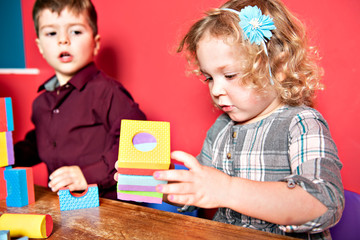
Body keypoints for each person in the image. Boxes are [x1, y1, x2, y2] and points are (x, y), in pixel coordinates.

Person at [150, 0, 343, 239]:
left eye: (230, 75)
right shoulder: (221, 128)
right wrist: (159, 183)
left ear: (279, 66)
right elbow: (198, 189)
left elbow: (324, 205)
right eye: (209, 78)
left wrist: (227, 189)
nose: (216, 90)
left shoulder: (302, 123)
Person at [14, 0, 146, 200]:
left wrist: (88, 174)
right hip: (63, 205)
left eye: (75, 32)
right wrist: (9, 156)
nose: (63, 40)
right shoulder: (41, 104)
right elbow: (39, 143)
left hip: (109, 204)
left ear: (96, 43)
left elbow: (139, 140)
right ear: (40, 46)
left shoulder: (107, 92)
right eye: (51, 33)